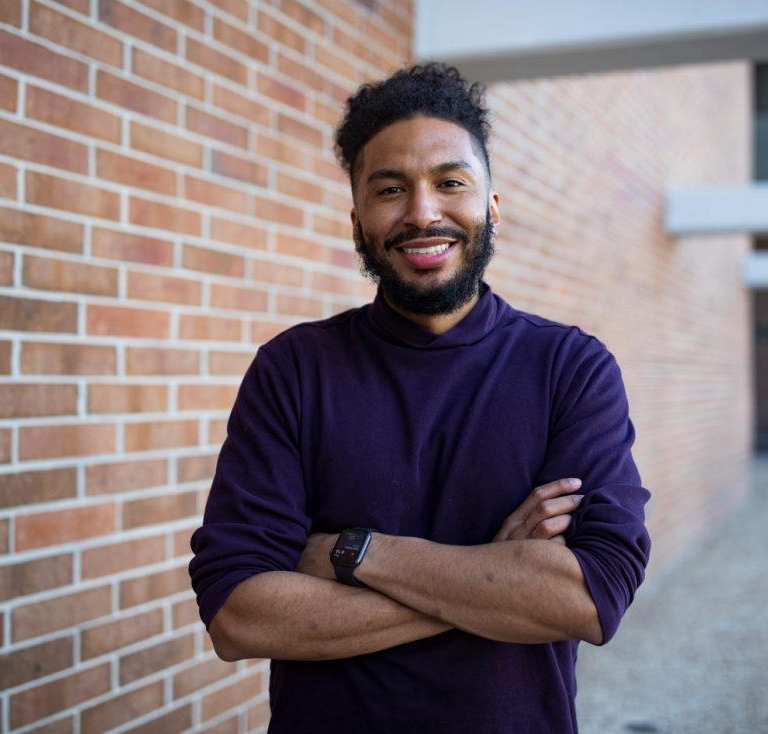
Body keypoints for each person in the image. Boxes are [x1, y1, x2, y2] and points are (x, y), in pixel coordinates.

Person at [189, 63, 651, 733]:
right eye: (390, 189)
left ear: (492, 204)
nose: (422, 212)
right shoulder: (294, 369)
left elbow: (590, 596)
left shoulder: (570, 369)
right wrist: (498, 580)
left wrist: (354, 555)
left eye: (450, 183)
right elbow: (238, 613)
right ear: (357, 220)